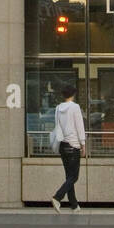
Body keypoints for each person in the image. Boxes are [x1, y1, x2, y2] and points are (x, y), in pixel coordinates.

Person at [50, 84, 86, 212]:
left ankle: (74, 204)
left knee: (69, 176)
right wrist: (83, 144)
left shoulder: (58, 108)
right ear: (73, 94)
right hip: (73, 145)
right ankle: (57, 197)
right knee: (74, 177)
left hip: (62, 145)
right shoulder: (75, 107)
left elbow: (57, 126)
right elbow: (79, 126)